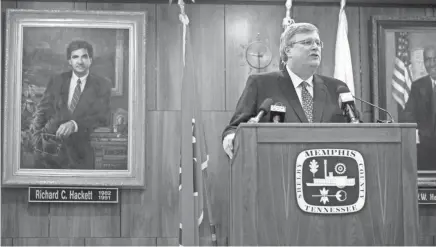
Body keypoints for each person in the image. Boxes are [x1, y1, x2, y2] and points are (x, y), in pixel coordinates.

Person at [222, 22, 355, 159]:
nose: (315, 47)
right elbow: (235, 128)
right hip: (278, 169)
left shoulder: (337, 88)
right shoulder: (261, 84)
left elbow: (357, 127)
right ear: (288, 50)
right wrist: (231, 137)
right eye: (307, 42)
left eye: (317, 43)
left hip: (329, 169)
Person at [31, 40, 111, 169]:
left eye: (84, 57)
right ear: (69, 61)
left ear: (90, 60)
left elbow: (102, 117)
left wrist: (75, 124)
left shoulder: (102, 85)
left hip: (81, 153)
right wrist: (37, 141)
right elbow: (42, 112)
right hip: (50, 152)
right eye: (75, 57)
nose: (80, 61)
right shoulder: (57, 80)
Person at [400, 45, 436, 171]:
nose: (431, 64)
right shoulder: (417, 86)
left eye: (434, 59)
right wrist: (417, 135)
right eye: (427, 59)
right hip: (425, 150)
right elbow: (407, 116)